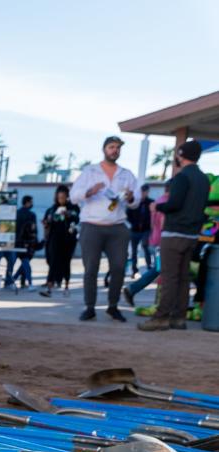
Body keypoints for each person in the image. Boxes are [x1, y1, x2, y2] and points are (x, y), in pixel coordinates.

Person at [138, 140, 209, 331]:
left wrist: (157, 206)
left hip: (174, 233)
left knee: (169, 277)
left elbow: (174, 204)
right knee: (183, 277)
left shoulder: (181, 177)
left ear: (181, 154)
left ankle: (161, 318)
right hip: (192, 235)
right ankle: (179, 318)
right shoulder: (203, 179)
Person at [69, 136, 139, 322]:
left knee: (118, 267)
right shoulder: (90, 171)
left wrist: (131, 197)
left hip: (117, 227)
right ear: (104, 149)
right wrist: (89, 191)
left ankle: (113, 306)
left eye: (117, 148)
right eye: (111, 147)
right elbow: (73, 196)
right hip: (92, 226)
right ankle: (89, 307)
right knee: (91, 268)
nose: (115, 150)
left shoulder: (127, 174)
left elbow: (136, 202)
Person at [39, 185, 80, 297]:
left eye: (63, 197)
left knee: (66, 262)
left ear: (67, 197)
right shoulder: (51, 209)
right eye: (59, 197)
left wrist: (68, 214)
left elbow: (76, 219)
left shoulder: (73, 207)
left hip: (68, 239)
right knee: (52, 262)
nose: (61, 199)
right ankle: (50, 288)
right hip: (54, 238)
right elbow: (47, 221)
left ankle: (66, 286)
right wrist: (46, 223)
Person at [10, 195, 38, 289]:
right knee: (26, 264)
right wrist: (35, 243)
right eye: (31, 202)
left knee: (20, 263)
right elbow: (33, 231)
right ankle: (28, 283)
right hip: (26, 243)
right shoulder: (31, 215)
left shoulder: (16, 213)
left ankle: (14, 279)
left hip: (15, 242)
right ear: (27, 202)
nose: (32, 204)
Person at [127, 183, 154, 273]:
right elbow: (128, 213)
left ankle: (149, 265)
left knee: (146, 246)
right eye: (142, 192)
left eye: (145, 192)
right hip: (135, 230)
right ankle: (134, 268)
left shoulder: (151, 202)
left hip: (146, 230)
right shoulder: (135, 202)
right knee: (134, 250)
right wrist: (133, 223)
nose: (143, 194)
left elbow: (153, 215)